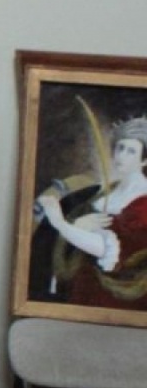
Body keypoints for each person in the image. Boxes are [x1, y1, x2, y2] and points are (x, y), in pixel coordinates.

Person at [36, 116, 147, 310]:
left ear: (144, 159)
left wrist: (61, 223)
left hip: (113, 299)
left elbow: (105, 249)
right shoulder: (103, 193)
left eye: (131, 151)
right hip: (80, 288)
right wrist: (76, 226)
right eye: (120, 148)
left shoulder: (143, 203)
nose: (121, 156)